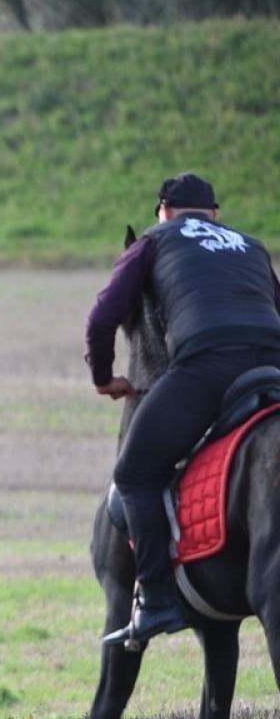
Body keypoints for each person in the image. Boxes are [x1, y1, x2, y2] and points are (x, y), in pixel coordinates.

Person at [87, 173, 280, 647]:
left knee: (133, 474)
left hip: (207, 368)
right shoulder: (252, 246)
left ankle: (154, 600)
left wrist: (104, 377)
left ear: (164, 212)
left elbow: (103, 316)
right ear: (214, 213)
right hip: (272, 367)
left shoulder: (153, 241)